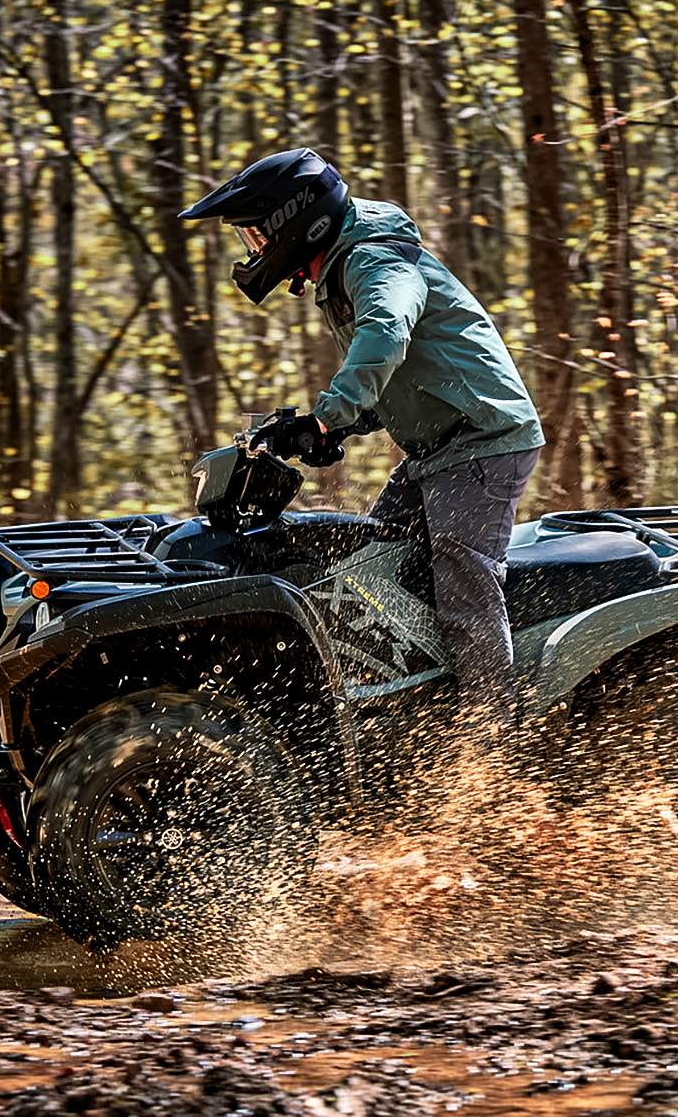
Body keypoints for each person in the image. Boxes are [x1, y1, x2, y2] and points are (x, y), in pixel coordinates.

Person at [179, 148, 545, 725]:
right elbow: (403, 375)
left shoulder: (374, 259)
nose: (255, 251)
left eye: (257, 236)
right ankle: (417, 709)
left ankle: (491, 733)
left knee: (461, 578)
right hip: (437, 447)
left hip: (482, 438)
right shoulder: (346, 262)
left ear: (296, 221)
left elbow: (386, 334)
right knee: (374, 564)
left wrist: (328, 416)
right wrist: (323, 428)